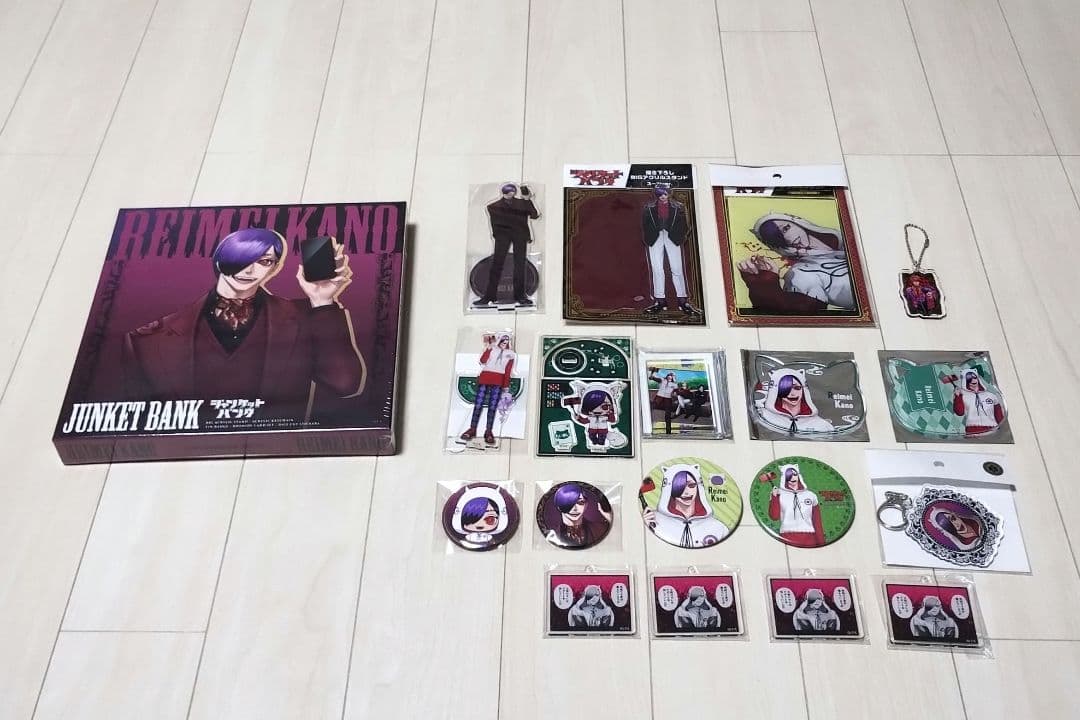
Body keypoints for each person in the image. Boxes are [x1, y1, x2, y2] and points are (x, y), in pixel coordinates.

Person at [122, 228, 365, 420]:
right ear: (219, 261)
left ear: (275, 267)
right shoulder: (147, 339)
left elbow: (345, 384)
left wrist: (322, 301)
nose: (250, 270)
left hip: (277, 448)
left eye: (265, 261)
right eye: (239, 259)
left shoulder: (306, 317)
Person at [738, 213, 854, 313]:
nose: (788, 238)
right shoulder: (800, 274)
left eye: (786, 228)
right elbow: (807, 315)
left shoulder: (848, 236)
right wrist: (765, 286)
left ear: (796, 221)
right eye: (777, 238)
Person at [475, 183, 539, 307]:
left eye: (512, 192)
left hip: (519, 237)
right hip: (503, 238)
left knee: (520, 266)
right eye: (508, 192)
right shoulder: (493, 206)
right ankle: (489, 296)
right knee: (497, 265)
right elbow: (495, 224)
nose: (510, 194)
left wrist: (527, 200)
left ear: (515, 192)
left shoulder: (522, 203)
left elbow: (534, 215)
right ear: (503, 193)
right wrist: (498, 237)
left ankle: (520, 296)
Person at [641, 184, 700, 316]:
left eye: (665, 193)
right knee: (657, 269)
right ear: (657, 195)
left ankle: (682, 300)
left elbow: (685, 224)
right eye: (660, 194)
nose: (663, 196)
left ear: (669, 193)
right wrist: (648, 237)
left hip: (673, 236)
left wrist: (681, 237)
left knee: (677, 268)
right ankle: (660, 300)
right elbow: (645, 224)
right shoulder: (648, 207)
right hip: (655, 237)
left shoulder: (679, 206)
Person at [642, 463, 730, 548]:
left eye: (691, 485)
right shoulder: (654, 519)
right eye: (678, 486)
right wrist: (643, 527)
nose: (686, 492)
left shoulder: (718, 528)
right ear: (668, 489)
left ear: (699, 488)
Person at [460, 333, 515, 446]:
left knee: (492, 407)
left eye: (506, 341)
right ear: (499, 340)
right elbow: (483, 360)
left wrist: (505, 386)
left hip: (498, 380)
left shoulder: (510, 354)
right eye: (502, 340)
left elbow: (508, 371)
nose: (504, 343)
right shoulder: (492, 349)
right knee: (478, 404)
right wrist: (488, 349)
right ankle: (472, 429)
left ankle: (488, 431)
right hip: (485, 377)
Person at [757, 370, 835, 435]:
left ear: (804, 390)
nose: (792, 394)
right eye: (786, 388)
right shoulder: (762, 416)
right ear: (775, 390)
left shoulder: (823, 426)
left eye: (797, 388)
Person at [768, 466, 826, 548]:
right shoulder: (779, 493)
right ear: (784, 478)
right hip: (786, 535)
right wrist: (774, 497)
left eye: (794, 474)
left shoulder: (810, 495)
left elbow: (817, 521)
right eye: (788, 475)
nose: (792, 477)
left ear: (798, 475)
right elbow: (774, 517)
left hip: (810, 536)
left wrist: (822, 543)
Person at [546, 483, 611, 548]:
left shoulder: (601, 528)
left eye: (580, 502)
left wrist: (608, 516)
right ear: (558, 506)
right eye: (568, 502)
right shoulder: (550, 536)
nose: (575, 509)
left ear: (586, 505)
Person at [950, 369, 1004, 436]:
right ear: (965, 381)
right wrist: (957, 396)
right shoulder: (963, 396)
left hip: (992, 429)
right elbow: (959, 412)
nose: (973, 380)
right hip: (972, 431)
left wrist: (1001, 429)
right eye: (969, 378)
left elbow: (999, 415)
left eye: (974, 377)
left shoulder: (991, 395)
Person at [648, 369, 678, 433]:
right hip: (659, 398)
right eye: (670, 376)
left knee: (668, 415)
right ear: (667, 376)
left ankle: (668, 431)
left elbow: (676, 391)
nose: (670, 377)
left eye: (672, 376)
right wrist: (652, 374)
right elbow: (651, 378)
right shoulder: (662, 380)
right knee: (650, 408)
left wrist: (675, 381)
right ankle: (647, 427)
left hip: (668, 399)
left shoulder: (674, 384)